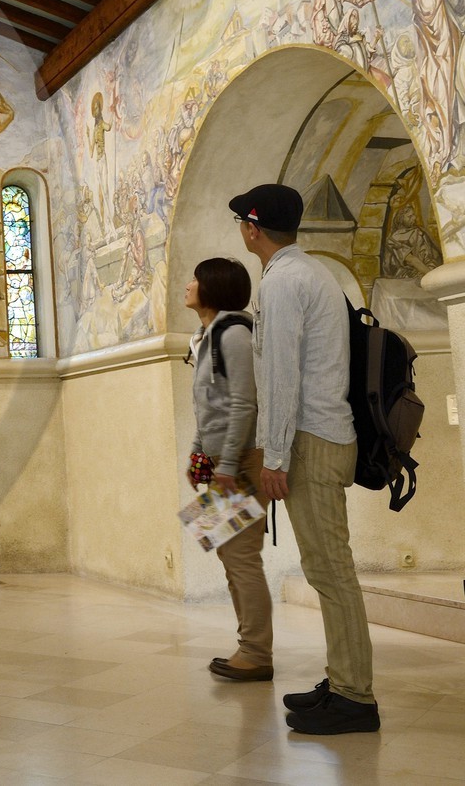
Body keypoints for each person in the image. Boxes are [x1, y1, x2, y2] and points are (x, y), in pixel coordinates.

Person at [231, 183, 378, 735]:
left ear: (252, 229)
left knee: (331, 572)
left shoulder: (283, 281)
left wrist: (274, 455)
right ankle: (342, 681)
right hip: (323, 436)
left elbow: (280, 375)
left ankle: (355, 696)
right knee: (327, 569)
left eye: (241, 224)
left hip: (311, 442)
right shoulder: (312, 271)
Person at [183, 257, 271, 682]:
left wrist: (229, 464)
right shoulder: (208, 335)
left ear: (212, 287)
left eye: (195, 279)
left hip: (241, 462)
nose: (188, 285)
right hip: (224, 462)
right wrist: (198, 452)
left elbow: (243, 404)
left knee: (241, 558)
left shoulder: (233, 334)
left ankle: (255, 653)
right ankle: (248, 647)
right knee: (228, 552)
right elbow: (209, 405)